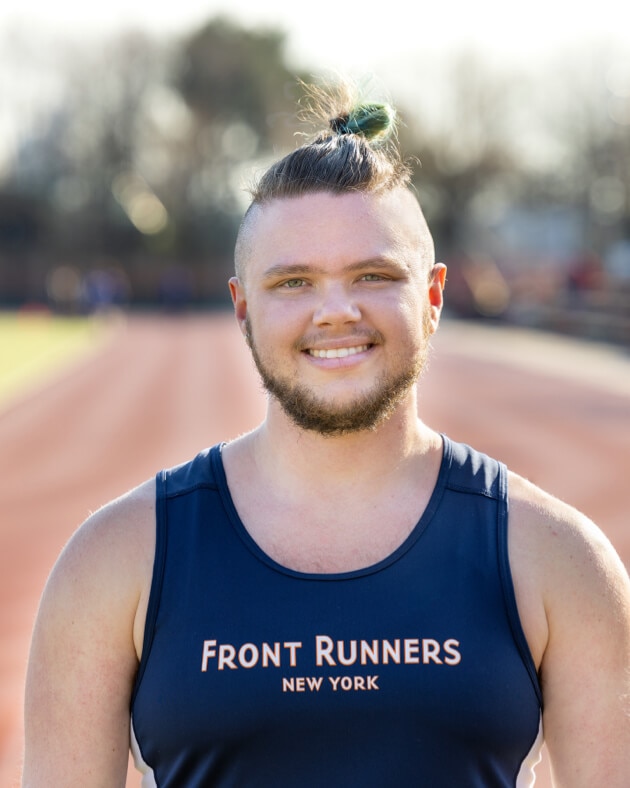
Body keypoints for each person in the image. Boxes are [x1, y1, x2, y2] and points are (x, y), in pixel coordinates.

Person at [23, 78, 630, 787]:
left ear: (432, 298)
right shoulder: (115, 559)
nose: (335, 311)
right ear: (243, 307)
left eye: (372, 275)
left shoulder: (557, 557)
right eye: (294, 283)